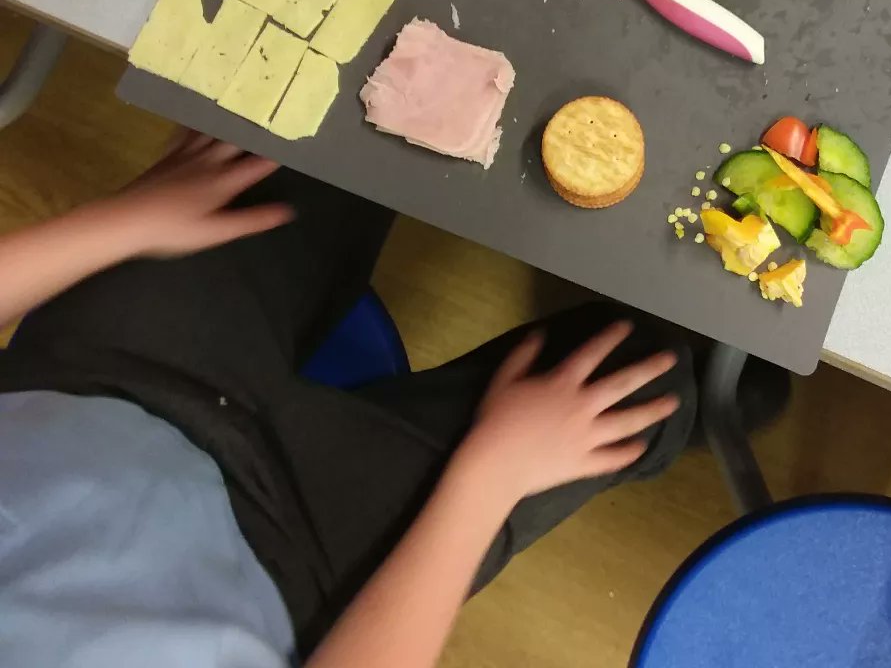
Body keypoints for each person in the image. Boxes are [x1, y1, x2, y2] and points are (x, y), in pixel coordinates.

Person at [0, 131, 696, 668]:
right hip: (296, 562)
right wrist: (487, 479)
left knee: (318, 110)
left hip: (103, 382)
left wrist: (122, 221)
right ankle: (722, 395)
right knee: (643, 379)